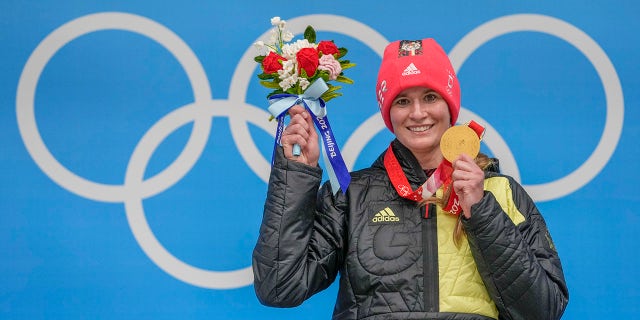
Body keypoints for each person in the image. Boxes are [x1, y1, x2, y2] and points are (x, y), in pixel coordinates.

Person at [252, 38, 569, 320]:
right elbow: (280, 287)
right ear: (389, 113)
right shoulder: (351, 195)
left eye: (430, 97)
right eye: (403, 101)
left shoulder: (499, 192)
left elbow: (544, 310)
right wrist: (297, 173)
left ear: (450, 105)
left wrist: (482, 212)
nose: (417, 113)